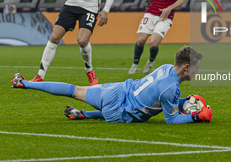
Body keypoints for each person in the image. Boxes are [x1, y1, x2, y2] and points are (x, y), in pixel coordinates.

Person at [12, 46, 213, 124]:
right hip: (119, 109)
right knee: (120, 113)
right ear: (186, 67)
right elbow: (171, 119)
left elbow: (159, 96)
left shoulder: (167, 68)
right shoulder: (170, 89)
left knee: (74, 90)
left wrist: (186, 99)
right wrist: (196, 117)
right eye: (196, 67)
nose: (197, 71)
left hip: (118, 90)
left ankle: (25, 83)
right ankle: (85, 114)